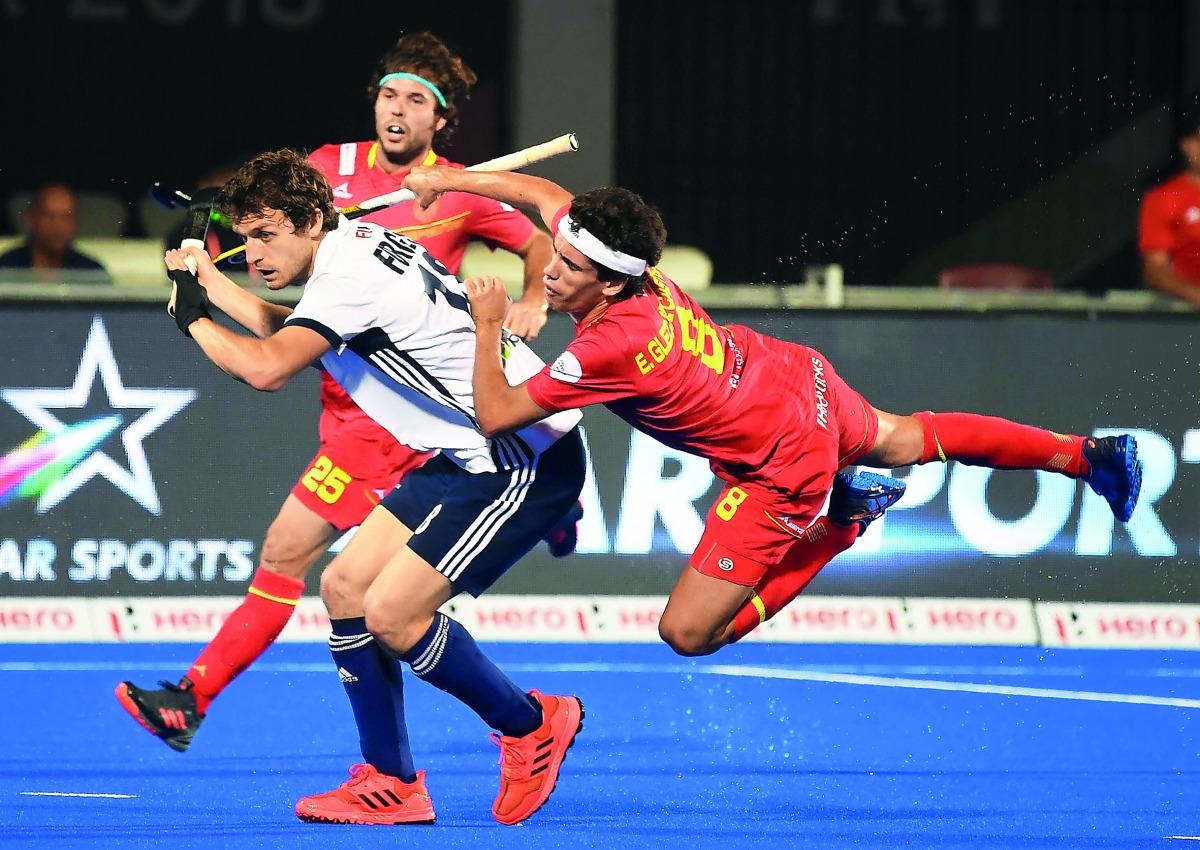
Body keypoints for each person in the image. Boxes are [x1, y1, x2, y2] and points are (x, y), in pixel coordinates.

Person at [402, 164, 1145, 657]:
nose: (550, 272)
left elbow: (497, 414)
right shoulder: (618, 259)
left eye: (568, 268)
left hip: (783, 458)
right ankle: (1090, 457)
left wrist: (490, 322)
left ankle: (842, 520)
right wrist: (449, 180)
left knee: (688, 633)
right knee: (904, 438)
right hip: (788, 374)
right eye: (555, 258)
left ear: (612, 282)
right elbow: (539, 192)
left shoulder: (609, 345)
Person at [115, 31, 579, 753]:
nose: (397, 110)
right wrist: (213, 273)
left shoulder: (445, 193)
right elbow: (296, 312)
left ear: (439, 119)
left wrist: (192, 315)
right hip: (363, 384)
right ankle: (390, 780)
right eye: (389, 94)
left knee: (337, 581)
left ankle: (526, 723)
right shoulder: (332, 185)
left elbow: (270, 365)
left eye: (416, 100)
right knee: (342, 587)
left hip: (414, 420)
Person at [1139, 112, 1200, 307]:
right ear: (1186, 144)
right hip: (1187, 313)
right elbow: (1155, 271)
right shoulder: (1164, 198)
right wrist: (1194, 294)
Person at [0, 183, 110, 282]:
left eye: (67, 217)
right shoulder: (6, 268)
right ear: (31, 219)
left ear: (77, 223)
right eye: (49, 216)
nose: (58, 226)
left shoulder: (91, 272)